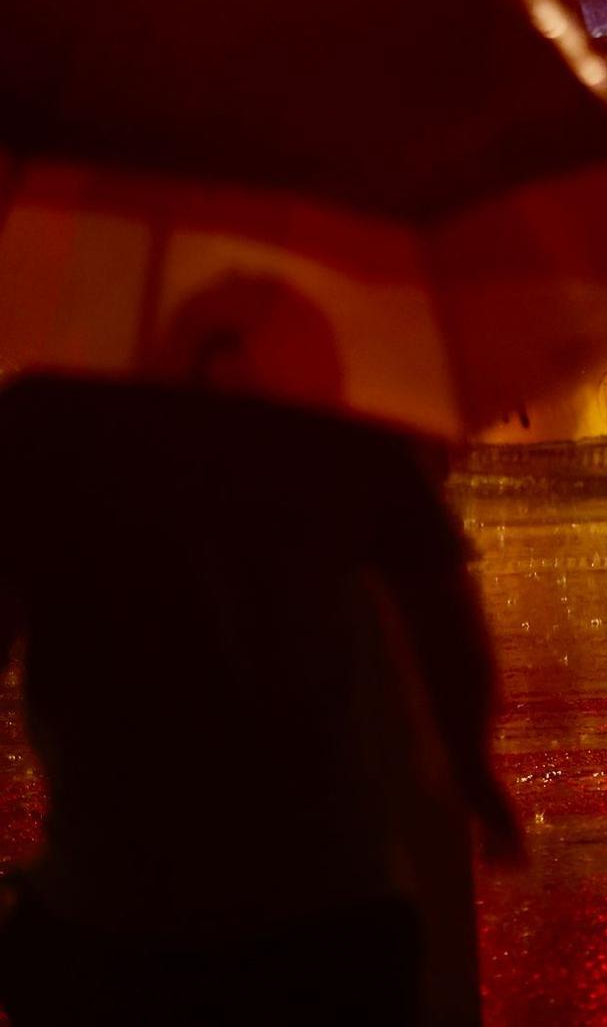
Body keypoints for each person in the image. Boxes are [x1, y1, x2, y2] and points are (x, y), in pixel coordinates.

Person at [0, 373, 522, 1026]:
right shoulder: (333, 415)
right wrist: (471, 771)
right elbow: (440, 611)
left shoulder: (44, 420)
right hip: (326, 900)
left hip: (107, 901)